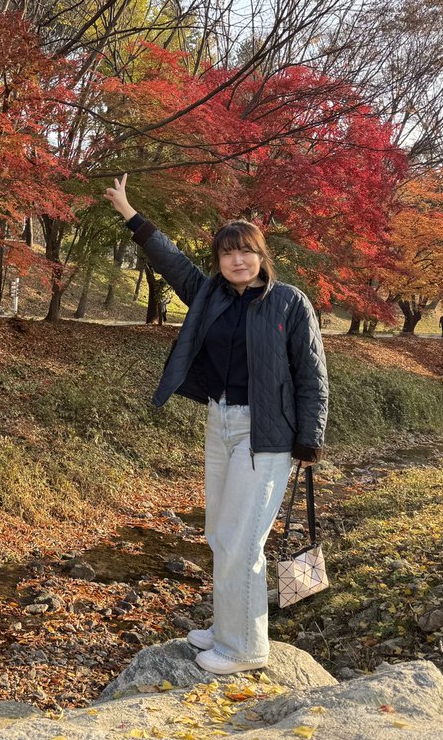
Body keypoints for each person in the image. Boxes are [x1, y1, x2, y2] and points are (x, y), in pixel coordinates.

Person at [104, 174, 328, 675]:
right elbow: (172, 261)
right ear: (219, 261)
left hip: (267, 435)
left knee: (241, 541)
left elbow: (312, 374)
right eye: (228, 254)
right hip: (220, 421)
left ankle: (245, 648)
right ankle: (229, 624)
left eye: (246, 251)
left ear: (261, 255)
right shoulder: (211, 295)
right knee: (218, 534)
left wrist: (309, 438)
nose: (237, 260)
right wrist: (130, 213)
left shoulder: (289, 302)